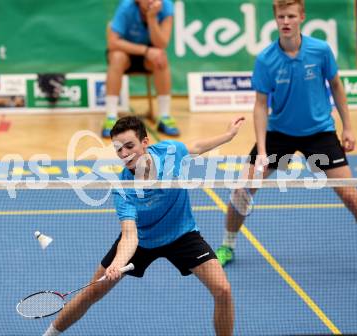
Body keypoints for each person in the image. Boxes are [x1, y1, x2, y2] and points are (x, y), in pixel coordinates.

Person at [215, 0, 357, 275]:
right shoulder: (266, 59)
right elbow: (260, 105)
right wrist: (263, 148)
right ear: (275, 19)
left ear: (301, 17)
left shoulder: (320, 51)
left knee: (351, 196)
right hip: (279, 133)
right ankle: (227, 245)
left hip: (320, 133)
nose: (286, 21)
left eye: (291, 15)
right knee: (241, 191)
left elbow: (337, 86)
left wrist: (348, 127)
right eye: (281, 16)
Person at [43, 115, 245, 336]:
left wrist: (228, 135)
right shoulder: (123, 187)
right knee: (92, 292)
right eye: (118, 149)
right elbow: (129, 236)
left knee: (223, 290)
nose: (124, 154)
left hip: (182, 234)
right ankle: (49, 334)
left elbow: (195, 146)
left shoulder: (170, 152)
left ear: (145, 142)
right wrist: (117, 264)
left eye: (129, 146)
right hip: (142, 239)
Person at [102, 0, 179, 138]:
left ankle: (164, 116)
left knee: (161, 57)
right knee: (117, 57)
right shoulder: (126, 7)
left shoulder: (166, 6)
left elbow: (162, 43)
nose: (151, 1)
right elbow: (113, 42)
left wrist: (152, 18)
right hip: (125, 51)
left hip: (149, 55)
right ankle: (110, 117)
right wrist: (145, 50)